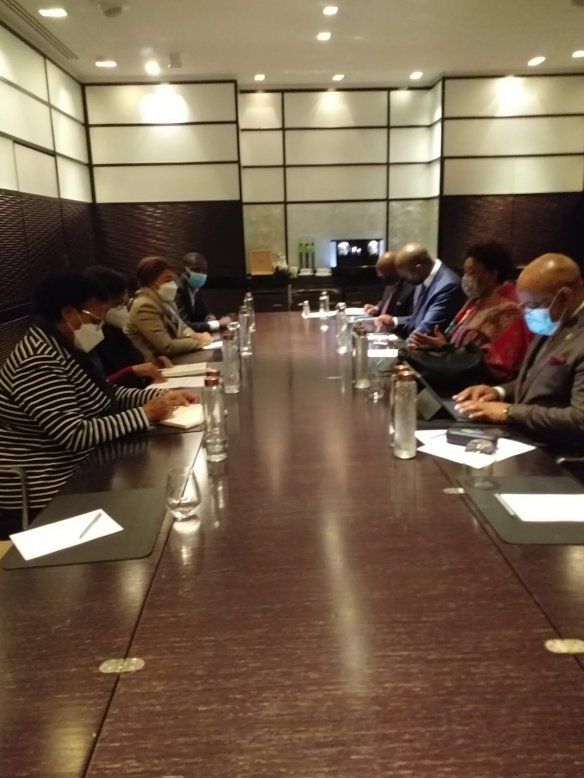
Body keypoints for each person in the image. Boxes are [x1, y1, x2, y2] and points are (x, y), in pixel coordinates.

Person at [0, 271, 197, 537]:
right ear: (69, 314)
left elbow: (106, 395)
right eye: (95, 319)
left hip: (82, 467)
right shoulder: (38, 361)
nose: (100, 327)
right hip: (46, 489)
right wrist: (145, 414)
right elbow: (74, 434)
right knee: (147, 520)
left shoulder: (63, 347)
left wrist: (158, 397)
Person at [454, 253, 584, 445]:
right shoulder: (556, 319)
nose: (527, 312)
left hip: (555, 452)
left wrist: (509, 411)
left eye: (533, 305)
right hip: (523, 436)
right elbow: (537, 379)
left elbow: (579, 419)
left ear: (564, 296)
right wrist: (498, 392)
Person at [408, 242, 531, 383]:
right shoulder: (476, 301)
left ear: (493, 275)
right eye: (465, 272)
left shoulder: (510, 310)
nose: (465, 278)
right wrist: (442, 346)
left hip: (482, 387)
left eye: (471, 273)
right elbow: (459, 350)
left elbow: (493, 366)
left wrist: (449, 353)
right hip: (458, 378)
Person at [85, 265, 169, 386]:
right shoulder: (86, 339)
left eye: (123, 305)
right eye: (117, 304)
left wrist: (154, 363)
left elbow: (136, 362)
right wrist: (131, 372)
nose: (122, 310)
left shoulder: (113, 332)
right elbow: (97, 386)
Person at [125, 256, 212, 363]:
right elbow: (167, 346)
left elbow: (182, 326)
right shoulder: (144, 305)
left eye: (173, 280)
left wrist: (194, 335)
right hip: (155, 365)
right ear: (151, 282)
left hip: (173, 360)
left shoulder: (165, 301)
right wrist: (200, 341)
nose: (173, 284)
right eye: (167, 280)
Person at [375, 243, 463, 339]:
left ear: (418, 269)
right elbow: (417, 319)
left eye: (407, 277)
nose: (406, 281)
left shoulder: (448, 285)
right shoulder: (423, 277)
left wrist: (402, 347)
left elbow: (426, 330)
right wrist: (395, 321)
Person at [176, 252, 231, 333]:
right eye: (196, 270)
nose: (201, 274)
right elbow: (184, 326)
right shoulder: (177, 289)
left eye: (204, 271)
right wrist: (218, 323)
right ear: (184, 270)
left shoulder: (195, 287)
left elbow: (204, 313)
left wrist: (211, 318)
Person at [363, 251, 415, 319]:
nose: (382, 278)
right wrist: (377, 308)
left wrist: (393, 321)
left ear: (397, 269)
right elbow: (387, 302)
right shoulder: (390, 282)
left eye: (384, 274)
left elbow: (414, 318)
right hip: (379, 322)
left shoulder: (412, 288)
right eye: (380, 274)